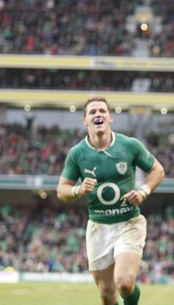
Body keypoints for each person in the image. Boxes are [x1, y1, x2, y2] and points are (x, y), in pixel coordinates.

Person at [56, 97, 165, 305]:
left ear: (110, 118)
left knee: (124, 283)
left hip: (128, 223)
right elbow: (61, 190)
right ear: (85, 120)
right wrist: (78, 189)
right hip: (98, 227)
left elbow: (157, 170)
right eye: (92, 112)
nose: (98, 114)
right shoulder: (77, 153)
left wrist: (143, 191)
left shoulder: (129, 145)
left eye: (102, 111)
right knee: (107, 294)